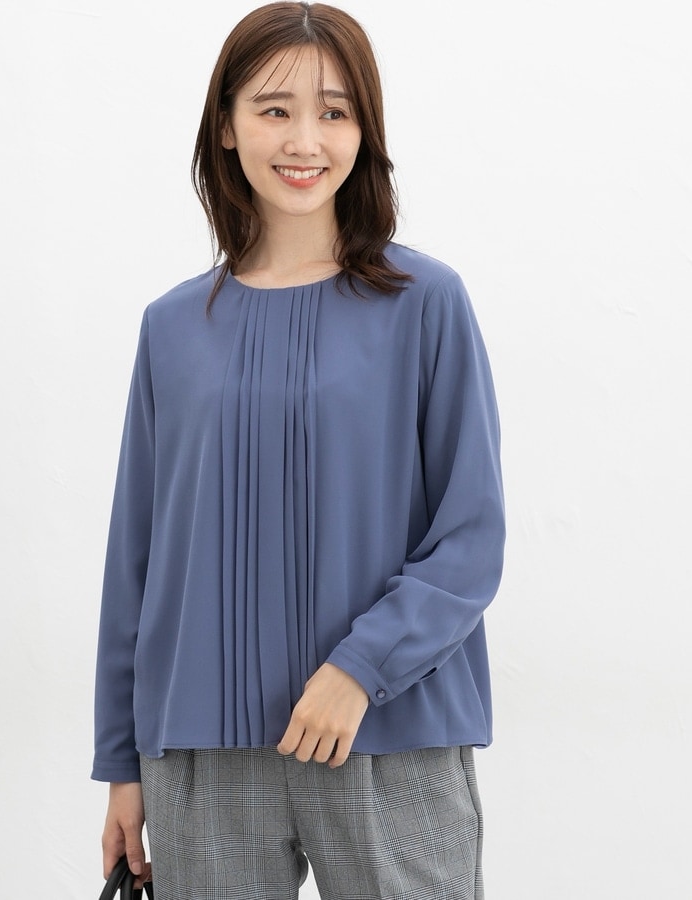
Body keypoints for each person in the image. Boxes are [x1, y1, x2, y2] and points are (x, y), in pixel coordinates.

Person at [92, 3, 505, 898]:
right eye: (274, 109)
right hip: (200, 755)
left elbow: (471, 536)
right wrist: (121, 761)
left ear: (365, 131)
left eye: (335, 111)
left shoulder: (427, 303)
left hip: (389, 733)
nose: (305, 140)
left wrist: (360, 670)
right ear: (227, 126)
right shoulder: (171, 327)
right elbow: (138, 560)